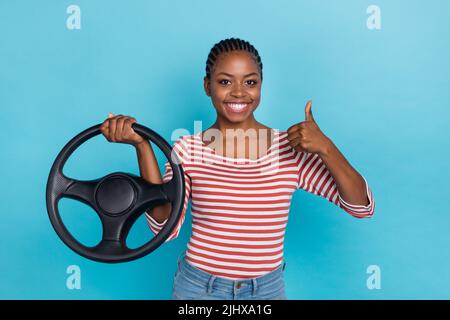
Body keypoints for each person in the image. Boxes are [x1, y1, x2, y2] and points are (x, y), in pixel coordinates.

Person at [100, 38, 375, 300]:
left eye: (250, 82)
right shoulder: (187, 150)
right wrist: (142, 146)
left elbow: (361, 206)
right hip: (198, 288)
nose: (239, 92)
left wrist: (327, 147)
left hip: (267, 290)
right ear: (207, 86)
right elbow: (164, 227)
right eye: (224, 82)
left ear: (261, 86)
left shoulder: (291, 147)